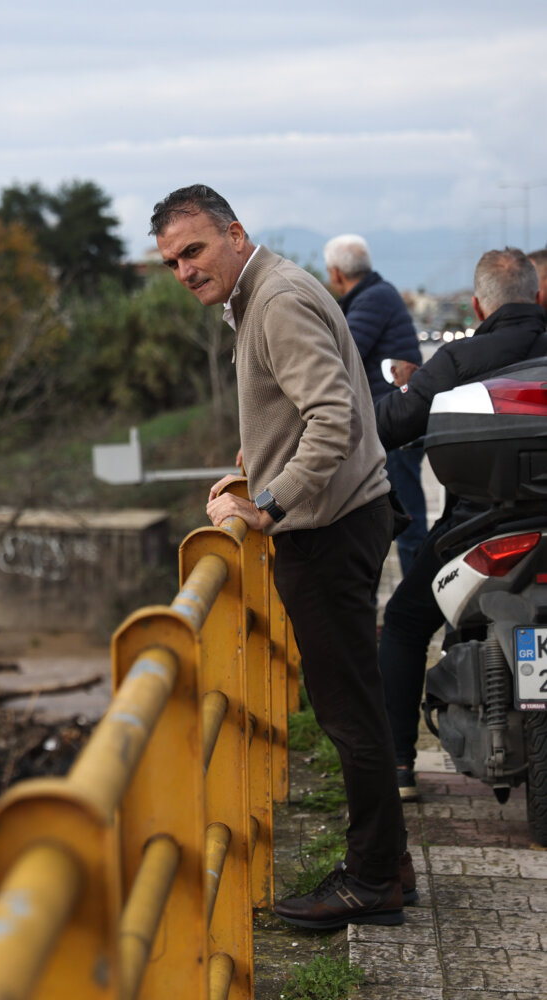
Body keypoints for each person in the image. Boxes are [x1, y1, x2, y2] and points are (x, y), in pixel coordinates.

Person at [151, 185, 407, 930]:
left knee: (348, 714)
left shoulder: (276, 300)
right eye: (171, 262)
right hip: (345, 518)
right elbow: (308, 404)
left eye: (194, 250)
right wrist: (258, 457)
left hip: (327, 532)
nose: (185, 271)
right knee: (355, 704)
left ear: (234, 234)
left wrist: (268, 503)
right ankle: (388, 863)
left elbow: (333, 417)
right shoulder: (268, 289)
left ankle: (371, 881)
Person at [375, 248, 547, 801]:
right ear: (537, 296)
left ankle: (399, 766)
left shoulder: (459, 360)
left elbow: (390, 424)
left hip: (482, 530)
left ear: (477, 306)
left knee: (404, 622)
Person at [324, 234, 428, 572]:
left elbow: (339, 356)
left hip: (394, 424)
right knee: (401, 517)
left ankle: (415, 599)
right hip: (395, 420)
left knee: (407, 521)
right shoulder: (376, 295)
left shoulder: (371, 300)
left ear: (336, 273)